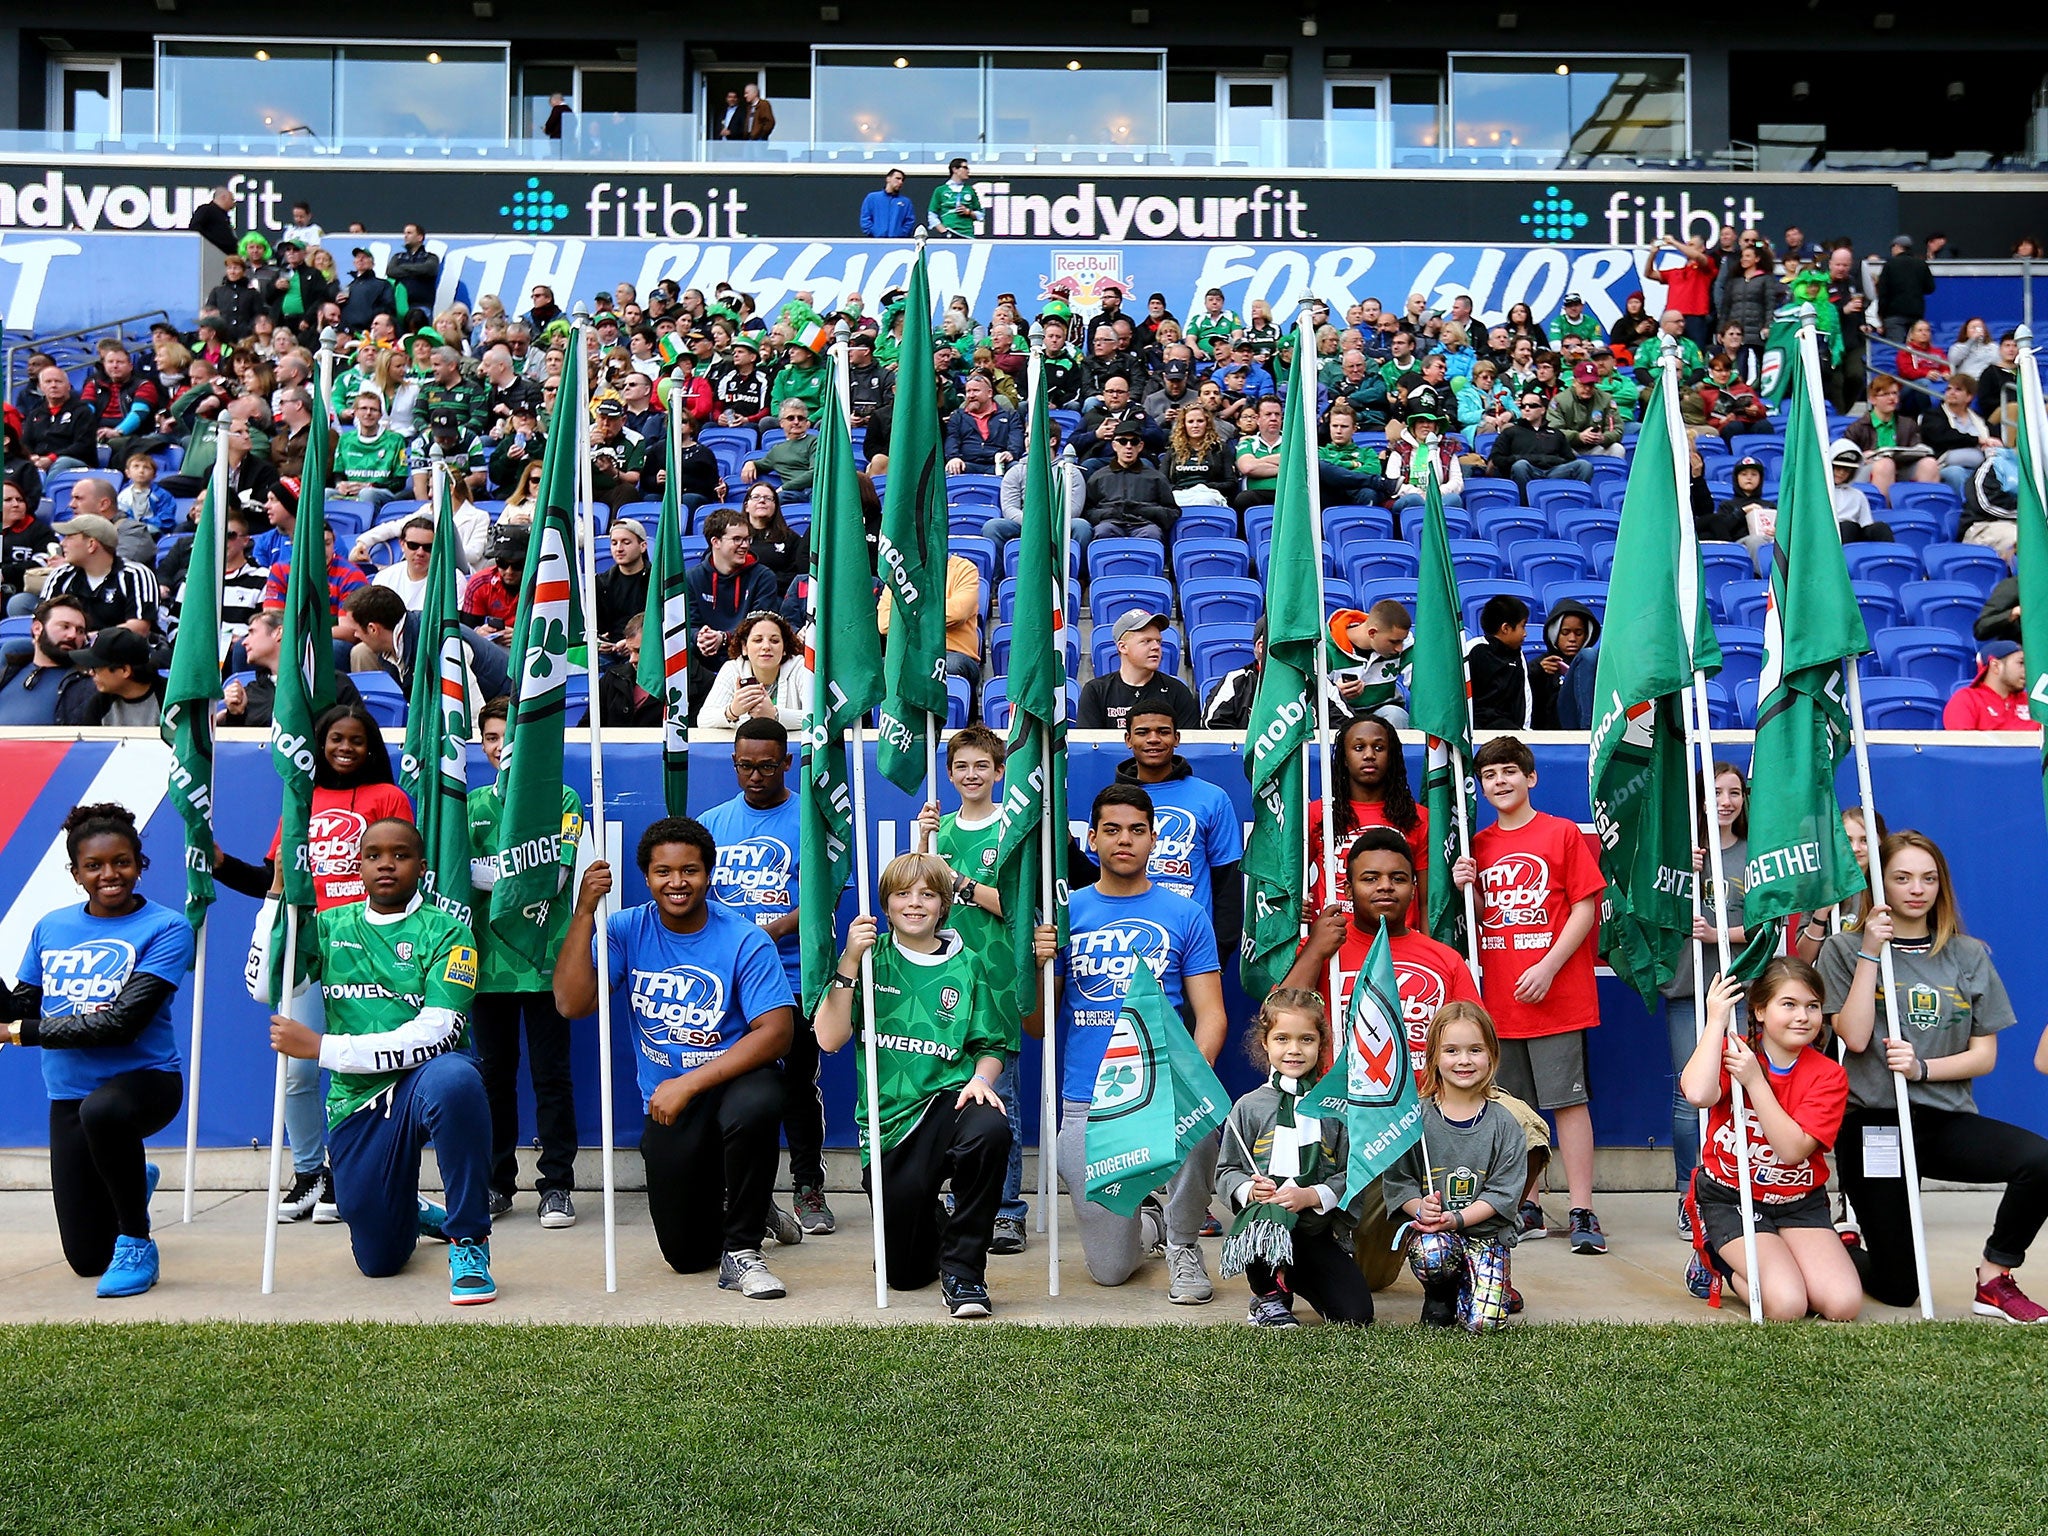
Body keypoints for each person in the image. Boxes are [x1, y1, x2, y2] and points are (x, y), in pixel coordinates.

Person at [553, 817, 797, 1298]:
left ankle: (744, 1250)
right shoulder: (624, 929)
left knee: (759, 1103)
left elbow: (777, 1034)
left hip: (729, 1082)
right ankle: (747, 1200)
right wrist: (584, 913)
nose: (677, 883)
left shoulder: (745, 937)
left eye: (690, 870)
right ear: (646, 877)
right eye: (664, 872)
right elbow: (572, 1004)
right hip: (670, 1101)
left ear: (710, 874)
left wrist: (690, 1082)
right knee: (686, 1258)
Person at [255, 818, 496, 1303]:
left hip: (421, 1083)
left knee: (457, 1078)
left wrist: (322, 1049)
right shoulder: (329, 925)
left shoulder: (449, 932)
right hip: (356, 1101)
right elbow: (263, 986)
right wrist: (277, 894)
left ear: (422, 868)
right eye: (374, 855)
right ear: (358, 865)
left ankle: (468, 1239)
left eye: (401, 854)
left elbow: (438, 1032)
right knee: (379, 1261)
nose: (387, 863)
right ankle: (408, 1209)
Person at [1818, 831, 2048, 1320]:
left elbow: (1984, 1055)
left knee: (2041, 1160)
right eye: (1901, 878)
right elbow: (1854, 1039)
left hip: (1944, 1120)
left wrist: (1924, 1068)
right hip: (1874, 1125)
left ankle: (1995, 1276)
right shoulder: (1844, 948)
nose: (1916, 889)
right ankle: (1822, 1244)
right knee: (1899, 1289)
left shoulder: (1967, 954)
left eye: (1928, 878)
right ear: (1879, 885)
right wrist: (1869, 953)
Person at [215, 702, 413, 1221]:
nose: (346, 748)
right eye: (335, 739)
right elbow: (273, 882)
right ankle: (309, 1172)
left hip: (366, 951)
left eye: (357, 740)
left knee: (362, 1069)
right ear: (319, 744)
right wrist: (217, 864)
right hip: (307, 948)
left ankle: (348, 1170)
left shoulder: (387, 796)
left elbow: (403, 871)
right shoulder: (300, 799)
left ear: (371, 747)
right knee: (298, 1071)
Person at [0, 803, 192, 1298]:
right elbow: (22, 1002)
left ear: (139, 862)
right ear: (76, 873)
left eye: (122, 862)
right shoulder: (51, 927)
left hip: (144, 1084)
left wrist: (19, 1032)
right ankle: (128, 1173)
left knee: (104, 1111)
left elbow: (121, 1024)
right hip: (69, 1096)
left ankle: (137, 1242)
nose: (110, 874)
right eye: (95, 866)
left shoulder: (168, 928)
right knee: (86, 1261)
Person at [816, 852, 1012, 1317]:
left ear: (944, 904)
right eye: (903, 894)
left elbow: (991, 1046)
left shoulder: (968, 964)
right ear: (885, 904)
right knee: (903, 1275)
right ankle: (935, 1226)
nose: (915, 904)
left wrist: (982, 1080)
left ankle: (965, 1275)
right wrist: (849, 960)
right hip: (889, 1125)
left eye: (927, 894)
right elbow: (828, 1039)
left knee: (991, 1129)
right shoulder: (868, 960)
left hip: (949, 1101)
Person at [1056, 785, 1227, 1302]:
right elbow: (1038, 1024)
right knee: (1108, 1270)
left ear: (1155, 840)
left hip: (1162, 1088)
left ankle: (1182, 1242)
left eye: (1136, 830)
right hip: (1088, 1098)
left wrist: (1188, 1084)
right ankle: (1149, 1227)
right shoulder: (1066, 913)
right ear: (1092, 839)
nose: (1124, 840)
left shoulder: (1185, 914)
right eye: (1111, 830)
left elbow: (1212, 1015)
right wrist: (1040, 962)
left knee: (1202, 1132)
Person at [1452, 735, 1607, 1253]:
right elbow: (1485, 915)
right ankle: (1529, 1203)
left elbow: (1585, 910)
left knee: (1567, 1102)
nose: (1500, 781)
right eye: (1489, 775)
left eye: (1509, 771)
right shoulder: (1479, 845)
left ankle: (1583, 1208)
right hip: (1500, 999)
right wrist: (1466, 885)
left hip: (1557, 995)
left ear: (1531, 777)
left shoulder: (1560, 833)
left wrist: (1547, 966)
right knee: (1515, 1109)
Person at [1677, 966, 1860, 1318]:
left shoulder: (1829, 1075)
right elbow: (1698, 1093)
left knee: (1842, 1304)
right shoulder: (1738, 1053)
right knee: (1787, 1305)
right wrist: (1716, 1021)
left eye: (1812, 1006)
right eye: (1788, 1004)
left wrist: (1755, 1082)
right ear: (1760, 1010)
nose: (1803, 1017)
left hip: (1798, 1202)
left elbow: (1792, 1151)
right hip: (1732, 1197)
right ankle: (1715, 1260)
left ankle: (1775, 1260)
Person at [467, 696, 586, 1228]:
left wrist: (491, 872)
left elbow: (554, 878)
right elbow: (455, 877)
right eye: (492, 738)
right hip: (483, 965)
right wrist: (513, 874)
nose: (501, 749)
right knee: (492, 1077)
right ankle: (496, 1182)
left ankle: (557, 1184)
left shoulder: (562, 799)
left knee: (552, 1076)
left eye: (510, 739)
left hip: (545, 962)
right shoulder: (468, 807)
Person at [696, 720, 818, 1241]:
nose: (756, 776)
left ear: (787, 762)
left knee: (794, 1088)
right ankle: (748, 1196)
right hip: (726, 984)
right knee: (740, 1094)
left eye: (768, 765)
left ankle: (808, 1185)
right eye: (746, 765)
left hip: (790, 978)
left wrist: (762, 937)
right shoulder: (711, 823)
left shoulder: (810, 820)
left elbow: (822, 898)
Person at [912, 726, 1030, 1253]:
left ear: (999, 771)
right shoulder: (942, 832)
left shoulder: (1011, 825)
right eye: (961, 766)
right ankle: (959, 1200)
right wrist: (923, 847)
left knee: (999, 1096)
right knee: (944, 1090)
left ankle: (1007, 1210)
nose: (971, 775)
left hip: (999, 982)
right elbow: (914, 896)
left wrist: (957, 881)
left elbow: (1017, 906)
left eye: (982, 766)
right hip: (944, 982)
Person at [1215, 989, 1375, 1328]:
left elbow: (1354, 1171)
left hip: (1315, 1230)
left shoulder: (1336, 1107)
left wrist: (1311, 1195)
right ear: (1265, 1044)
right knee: (1262, 1220)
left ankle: (1292, 1277)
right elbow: (1226, 1170)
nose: (1294, 1049)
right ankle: (1269, 1296)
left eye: (1306, 1039)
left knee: (1355, 1315)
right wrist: (1247, 1190)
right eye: (1282, 1038)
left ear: (1322, 1043)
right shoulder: (1248, 1106)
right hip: (1267, 1224)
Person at [1384, 1003, 1528, 1330]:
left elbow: (1502, 1194)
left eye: (1475, 1050)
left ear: (1491, 1055)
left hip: (1485, 1237)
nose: (1464, 1060)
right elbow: (1398, 1182)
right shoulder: (1415, 1119)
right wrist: (1421, 1208)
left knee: (1484, 1324)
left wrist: (1457, 1218)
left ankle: (1475, 1285)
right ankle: (1440, 1295)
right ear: (1434, 1056)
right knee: (1431, 1252)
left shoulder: (1505, 1124)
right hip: (1434, 1236)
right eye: (1451, 1050)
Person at [1656, 762, 1752, 1238]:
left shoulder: (1754, 855)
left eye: (1734, 792)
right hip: (1689, 991)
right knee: (1688, 1095)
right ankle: (1687, 1191)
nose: (1726, 801)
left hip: (1741, 991)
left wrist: (1719, 934)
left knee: (1744, 1090)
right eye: (1715, 792)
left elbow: (1766, 927)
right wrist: (1680, 873)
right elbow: (1652, 914)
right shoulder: (1681, 856)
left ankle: (1737, 1186)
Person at [1101, 706, 1244, 955]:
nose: (1153, 739)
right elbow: (1093, 875)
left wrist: (1219, 950)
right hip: (1122, 940)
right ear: (1128, 739)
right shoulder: (1111, 803)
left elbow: (1227, 880)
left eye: (1163, 731)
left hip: (1190, 943)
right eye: (1143, 732)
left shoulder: (1211, 798)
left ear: (1176, 738)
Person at [1302, 710, 1430, 934]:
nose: (1369, 755)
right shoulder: (1318, 813)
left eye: (1379, 747)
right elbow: (1290, 883)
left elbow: (1426, 902)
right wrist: (1294, 907)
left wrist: (1430, 951)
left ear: (1392, 756)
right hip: (1334, 945)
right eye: (1359, 747)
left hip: (1397, 943)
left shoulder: (1418, 817)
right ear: (1344, 757)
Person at [1075, 609, 1199, 732]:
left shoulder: (1177, 691)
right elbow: (1089, 745)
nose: (1156, 647)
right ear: (1123, 647)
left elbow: (1188, 745)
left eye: (1159, 641)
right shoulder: (1096, 691)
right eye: (1146, 641)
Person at [698, 611, 812, 732]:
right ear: (744, 648)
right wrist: (732, 711)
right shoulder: (732, 669)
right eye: (758, 640)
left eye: (775, 641)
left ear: (784, 648)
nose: (766, 646)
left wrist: (775, 715)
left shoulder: (800, 667)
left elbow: (818, 718)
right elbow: (703, 720)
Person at [0, 595, 92, 726]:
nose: (72, 635)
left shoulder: (89, 684)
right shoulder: (7, 673)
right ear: (37, 629)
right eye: (65, 626)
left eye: (80, 631)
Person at [1083, 423, 1178, 541]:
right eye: (1122, 441)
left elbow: (1172, 512)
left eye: (1134, 442)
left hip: (1145, 524)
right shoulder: (1098, 477)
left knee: (1151, 533)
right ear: (1114, 445)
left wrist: (1146, 511)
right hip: (1110, 523)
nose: (1128, 446)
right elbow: (1088, 511)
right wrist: (1109, 513)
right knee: (1103, 531)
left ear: (1140, 446)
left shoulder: (1156, 477)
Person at [57, 628, 164, 728]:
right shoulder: (99, 704)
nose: (90, 673)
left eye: (96, 668)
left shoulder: (167, 698)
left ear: (124, 671)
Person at [1489, 390, 1593, 488]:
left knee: (1584, 465)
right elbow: (1497, 458)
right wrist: (1516, 459)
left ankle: (1574, 500)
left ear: (1542, 410)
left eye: (1532, 406)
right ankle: (1525, 505)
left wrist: (1546, 460)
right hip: (1526, 472)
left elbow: (1569, 459)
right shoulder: (1510, 432)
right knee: (1520, 466)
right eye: (1523, 406)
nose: (1527, 409)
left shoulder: (1556, 434)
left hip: (1555, 472)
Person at [1466, 592, 1533, 730]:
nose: (1525, 633)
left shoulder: (1518, 655)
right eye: (1523, 626)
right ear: (1506, 628)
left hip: (1512, 733)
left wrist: (1523, 732)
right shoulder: (1473, 650)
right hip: (1477, 732)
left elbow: (1524, 699)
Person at [1531, 600, 1599, 730]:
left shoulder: (1595, 662)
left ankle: (1589, 730)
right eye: (1565, 632)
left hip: (1586, 724)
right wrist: (1537, 673)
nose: (1572, 639)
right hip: (1553, 729)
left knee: (1588, 655)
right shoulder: (1543, 663)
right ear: (1554, 633)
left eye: (1579, 633)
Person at [1942, 640, 2034, 732]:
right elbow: (1962, 744)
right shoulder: (1967, 700)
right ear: (1996, 666)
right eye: (2021, 663)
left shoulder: (2033, 702)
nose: (2027, 670)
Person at [1876, 235, 1935, 345]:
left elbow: (1883, 292)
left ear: (1897, 246)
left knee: (1897, 349)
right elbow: (1930, 288)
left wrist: (1881, 315)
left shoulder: (1890, 264)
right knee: (1916, 348)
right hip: (1916, 314)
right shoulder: (1921, 264)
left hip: (1893, 315)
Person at [928, 158, 982, 238]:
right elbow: (932, 214)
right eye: (965, 168)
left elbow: (981, 215)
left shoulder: (970, 190)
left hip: (968, 234)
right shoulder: (941, 190)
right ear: (955, 169)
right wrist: (943, 231)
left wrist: (969, 212)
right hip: (949, 233)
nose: (968, 171)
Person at [859, 168, 918, 238]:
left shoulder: (906, 202)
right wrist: (874, 232)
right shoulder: (872, 198)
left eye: (902, 180)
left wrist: (901, 234)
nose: (900, 182)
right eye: (898, 178)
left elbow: (909, 222)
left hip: (898, 242)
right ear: (888, 179)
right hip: (876, 242)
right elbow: (865, 218)